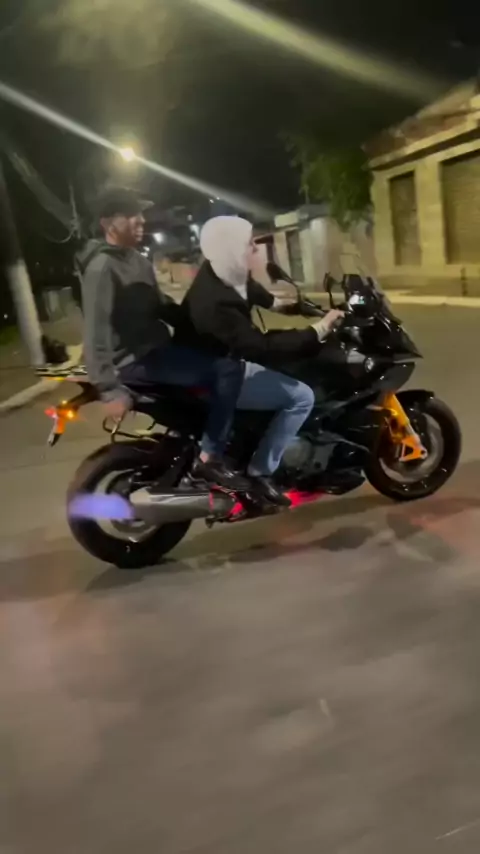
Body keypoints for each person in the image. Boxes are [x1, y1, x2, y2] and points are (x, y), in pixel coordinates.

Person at [79, 188, 248, 491]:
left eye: (140, 213)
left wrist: (203, 316)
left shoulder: (137, 261)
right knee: (228, 369)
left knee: (217, 355)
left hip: (157, 348)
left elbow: (160, 305)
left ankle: (212, 440)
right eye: (130, 214)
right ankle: (211, 458)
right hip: (135, 360)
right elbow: (95, 331)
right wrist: (108, 389)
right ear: (107, 223)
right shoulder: (102, 268)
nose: (141, 220)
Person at [180, 216, 343, 505]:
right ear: (231, 248)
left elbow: (265, 298)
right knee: (301, 397)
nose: (256, 248)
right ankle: (261, 473)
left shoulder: (223, 272)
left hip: (213, 362)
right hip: (216, 373)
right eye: (249, 244)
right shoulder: (216, 301)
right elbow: (260, 347)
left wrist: (300, 307)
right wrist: (317, 331)